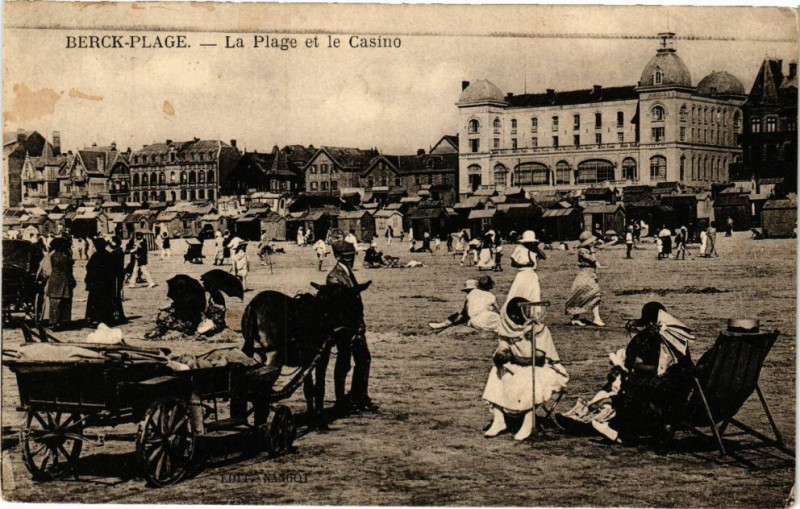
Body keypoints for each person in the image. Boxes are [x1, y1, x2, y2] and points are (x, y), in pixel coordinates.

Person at [483, 235, 569, 441]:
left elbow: (540, 358)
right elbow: (501, 349)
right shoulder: (507, 326)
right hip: (519, 364)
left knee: (526, 378)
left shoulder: (537, 329)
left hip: (543, 368)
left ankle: (528, 422)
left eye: (518, 316)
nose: (515, 320)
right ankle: (499, 419)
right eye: (512, 316)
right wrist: (500, 357)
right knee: (496, 373)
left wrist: (513, 359)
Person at [586, 302, 695, 447]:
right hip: (681, 392)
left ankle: (624, 433)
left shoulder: (646, 339)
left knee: (632, 385)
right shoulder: (678, 339)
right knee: (634, 384)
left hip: (664, 393)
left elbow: (643, 366)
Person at [327, 240, 376, 413]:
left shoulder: (348, 273)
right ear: (337, 256)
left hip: (356, 326)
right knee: (344, 363)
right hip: (344, 328)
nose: (350, 259)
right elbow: (338, 306)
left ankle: (359, 395)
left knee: (364, 359)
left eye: (352, 256)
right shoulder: (334, 276)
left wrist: (360, 324)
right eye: (346, 257)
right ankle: (341, 399)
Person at [429, 276, 501, 333]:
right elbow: (499, 310)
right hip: (490, 318)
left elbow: (463, 313)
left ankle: (442, 325)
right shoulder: (491, 295)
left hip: (476, 321)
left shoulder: (471, 294)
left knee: (462, 316)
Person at [565, 231, 606, 327]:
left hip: (590, 274)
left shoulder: (586, 249)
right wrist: (592, 249)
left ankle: (578, 318)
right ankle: (596, 318)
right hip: (585, 274)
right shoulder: (582, 251)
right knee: (593, 294)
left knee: (586, 295)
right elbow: (592, 259)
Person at [85, 237, 118, 326]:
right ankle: (106, 318)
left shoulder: (95, 256)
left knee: (95, 301)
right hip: (107, 283)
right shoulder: (109, 255)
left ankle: (95, 319)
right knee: (106, 301)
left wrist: (89, 280)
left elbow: (89, 268)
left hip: (96, 283)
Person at [46, 237, 75, 331]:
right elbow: (67, 271)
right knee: (64, 302)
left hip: (54, 280)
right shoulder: (63, 257)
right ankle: (63, 322)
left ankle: (53, 322)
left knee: (54, 302)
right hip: (63, 280)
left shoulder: (53, 255)